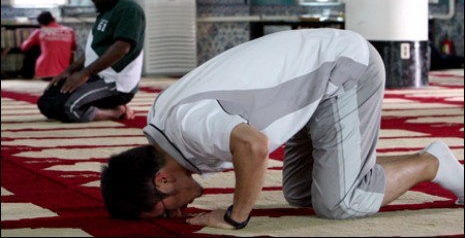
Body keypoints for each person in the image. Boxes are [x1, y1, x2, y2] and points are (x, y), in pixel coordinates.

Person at [100, 28, 464, 230]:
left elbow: (254, 145)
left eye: (165, 210)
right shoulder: (163, 122)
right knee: (301, 193)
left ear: (162, 181)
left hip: (343, 71)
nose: (175, 214)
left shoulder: (188, 127)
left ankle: (435, 163)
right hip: (310, 86)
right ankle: (360, 170)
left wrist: (235, 215)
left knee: (340, 204)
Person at [37, 0, 146, 123]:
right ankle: (102, 106)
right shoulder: (106, 11)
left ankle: (117, 111)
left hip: (115, 83)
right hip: (96, 76)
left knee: (70, 107)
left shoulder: (129, 9)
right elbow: (92, 53)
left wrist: (84, 73)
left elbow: (122, 48)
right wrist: (69, 70)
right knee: (46, 103)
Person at [20, 11, 76, 80]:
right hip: (64, 72)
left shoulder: (40, 31)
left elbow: (24, 47)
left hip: (44, 73)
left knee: (33, 48)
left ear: (40, 23)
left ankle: (27, 75)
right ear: (54, 19)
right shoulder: (69, 31)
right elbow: (73, 47)